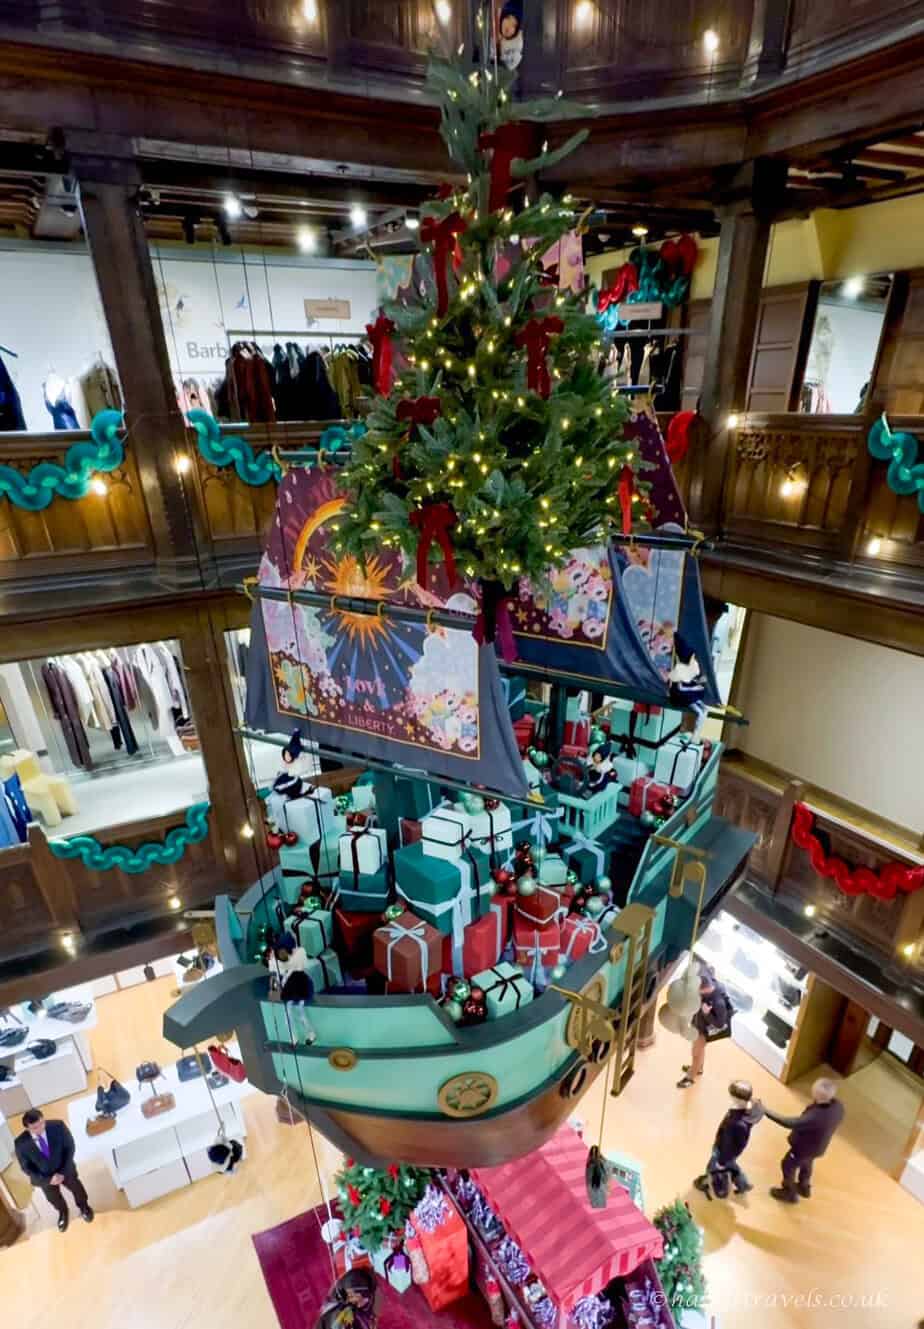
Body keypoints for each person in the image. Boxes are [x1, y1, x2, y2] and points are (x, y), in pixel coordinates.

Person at [765, 1076, 845, 1203]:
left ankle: (789, 1193)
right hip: (818, 1147)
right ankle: (804, 1187)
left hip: (803, 1148)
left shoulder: (815, 1117)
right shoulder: (838, 1107)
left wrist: (765, 1111)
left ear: (816, 1095)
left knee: (788, 1165)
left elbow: (789, 1122)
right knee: (807, 1162)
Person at [15, 1108, 93, 1231]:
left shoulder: (58, 1126)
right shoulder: (20, 1143)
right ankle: (63, 1212)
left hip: (64, 1168)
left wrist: (62, 1172)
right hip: (44, 1178)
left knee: (76, 1188)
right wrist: (48, 1179)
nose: (41, 1128)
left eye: (42, 1123)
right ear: (27, 1128)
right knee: (53, 1198)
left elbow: (70, 1147)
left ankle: (84, 1206)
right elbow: (26, 1167)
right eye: (35, 1128)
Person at [694, 1079, 763, 1199]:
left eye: (732, 1095)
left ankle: (713, 1186)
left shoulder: (734, 1123)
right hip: (736, 1149)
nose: (730, 1097)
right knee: (731, 1164)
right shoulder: (755, 1105)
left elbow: (727, 1143)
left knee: (713, 1167)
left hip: (723, 1149)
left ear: (739, 1099)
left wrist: (721, 1162)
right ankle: (743, 1184)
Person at [677, 965, 732, 1088]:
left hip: (704, 1030)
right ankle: (699, 1068)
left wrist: (707, 1013)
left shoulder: (718, 1002)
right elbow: (710, 968)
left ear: (703, 989)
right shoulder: (707, 978)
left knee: (696, 1053)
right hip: (698, 1023)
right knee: (700, 1050)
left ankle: (690, 1077)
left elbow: (720, 1024)